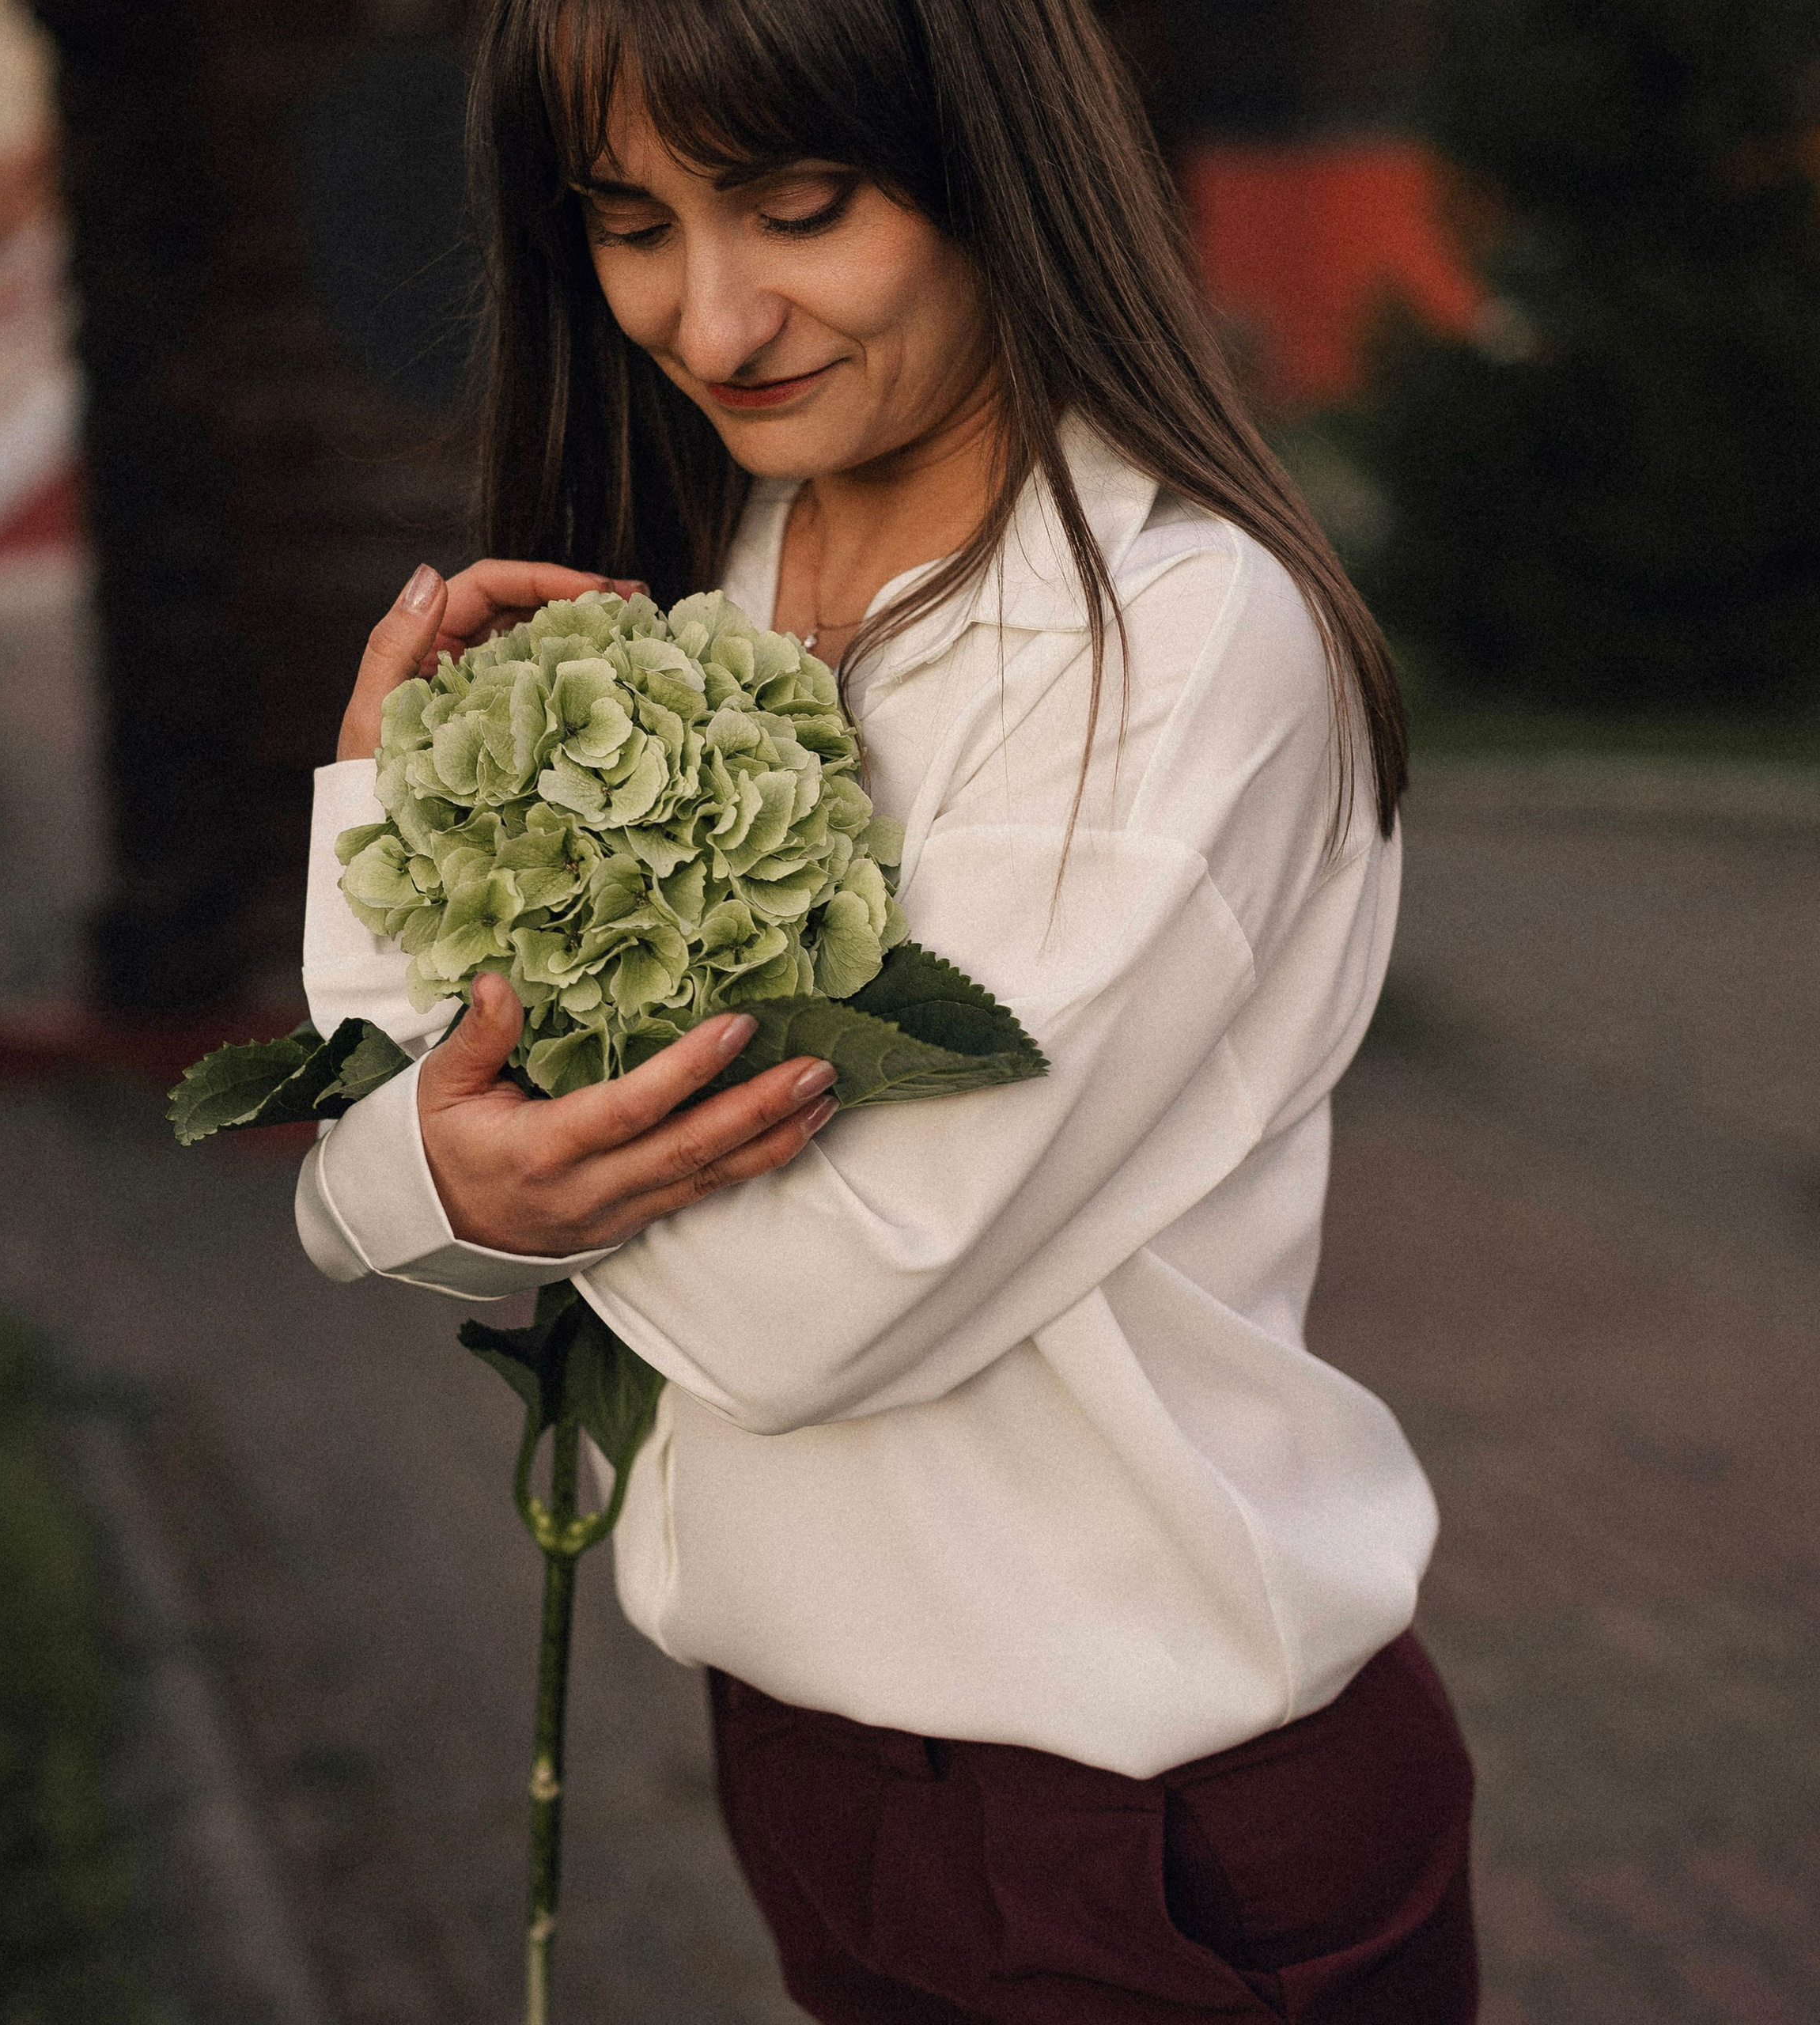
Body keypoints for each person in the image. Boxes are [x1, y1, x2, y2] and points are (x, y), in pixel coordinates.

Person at [295, 1, 1477, 2018]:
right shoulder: (698, 572)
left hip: (1149, 1826)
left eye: (800, 207)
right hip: (806, 1767)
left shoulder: (1178, 643)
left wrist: (415, 1043)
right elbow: (363, 1194)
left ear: (989, 171)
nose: (712, 316)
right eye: (628, 222)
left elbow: (816, 1306)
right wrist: (412, 1101)